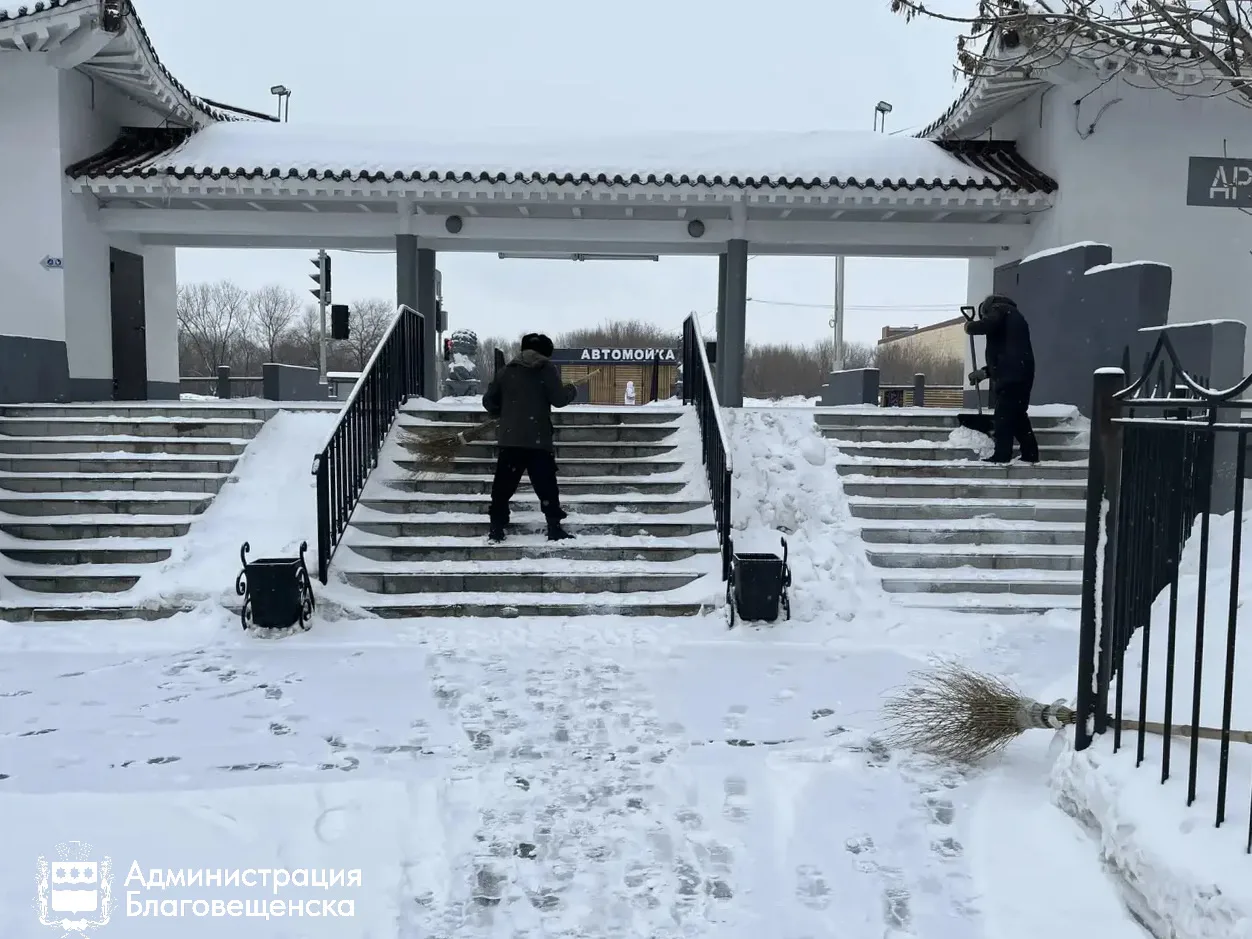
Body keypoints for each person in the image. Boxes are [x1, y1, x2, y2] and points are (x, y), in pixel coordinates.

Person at [481, 332, 578, 542]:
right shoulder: (546, 369)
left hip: (510, 439)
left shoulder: (506, 371)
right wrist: (571, 390)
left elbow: (489, 402)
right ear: (545, 352)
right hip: (538, 440)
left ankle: (496, 528)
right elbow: (559, 399)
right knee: (546, 487)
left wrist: (505, 412)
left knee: (502, 487)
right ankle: (554, 527)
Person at [964, 294, 1040, 464]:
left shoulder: (999, 309)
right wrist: (985, 372)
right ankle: (1030, 453)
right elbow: (1007, 355)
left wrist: (970, 326)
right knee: (1018, 416)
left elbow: (988, 324)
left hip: (1011, 376)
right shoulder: (1015, 316)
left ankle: (1002, 455)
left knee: (1003, 417)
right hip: (1022, 373)